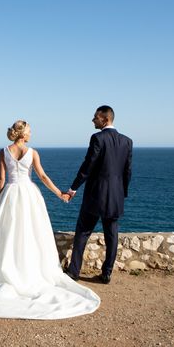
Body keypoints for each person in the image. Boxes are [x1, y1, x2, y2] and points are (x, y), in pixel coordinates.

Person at [0, 120, 100, 319]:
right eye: (30, 131)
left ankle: (7, 268)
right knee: (31, 233)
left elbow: (1, 178)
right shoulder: (32, 152)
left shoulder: (3, 151)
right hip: (28, 194)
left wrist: (1, 198)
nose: (32, 133)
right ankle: (28, 269)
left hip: (10, 192)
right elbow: (42, 176)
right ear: (23, 134)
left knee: (7, 232)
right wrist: (60, 193)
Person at [64, 105, 133, 284]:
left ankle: (74, 272)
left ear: (105, 119)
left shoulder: (97, 138)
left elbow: (88, 166)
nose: (93, 120)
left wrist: (73, 188)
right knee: (112, 235)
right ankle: (106, 273)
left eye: (95, 117)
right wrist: (121, 193)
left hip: (95, 196)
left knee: (83, 232)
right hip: (115, 197)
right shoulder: (127, 141)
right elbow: (127, 172)